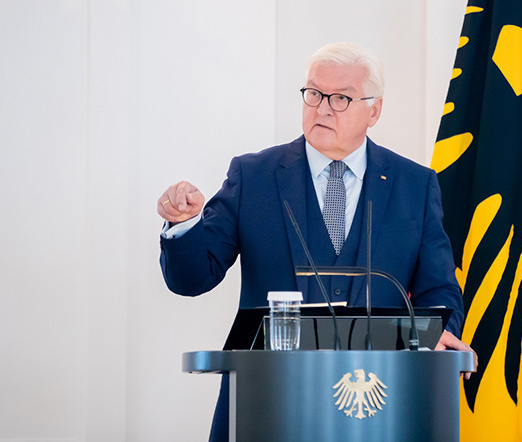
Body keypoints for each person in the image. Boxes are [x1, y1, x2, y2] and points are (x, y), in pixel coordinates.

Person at [157, 41, 474, 441]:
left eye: (341, 98)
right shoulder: (253, 176)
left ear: (374, 110)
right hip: (267, 406)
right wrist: (185, 225)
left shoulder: (414, 185)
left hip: (380, 408)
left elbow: (439, 289)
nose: (322, 108)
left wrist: (436, 335)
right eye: (314, 93)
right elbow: (192, 278)